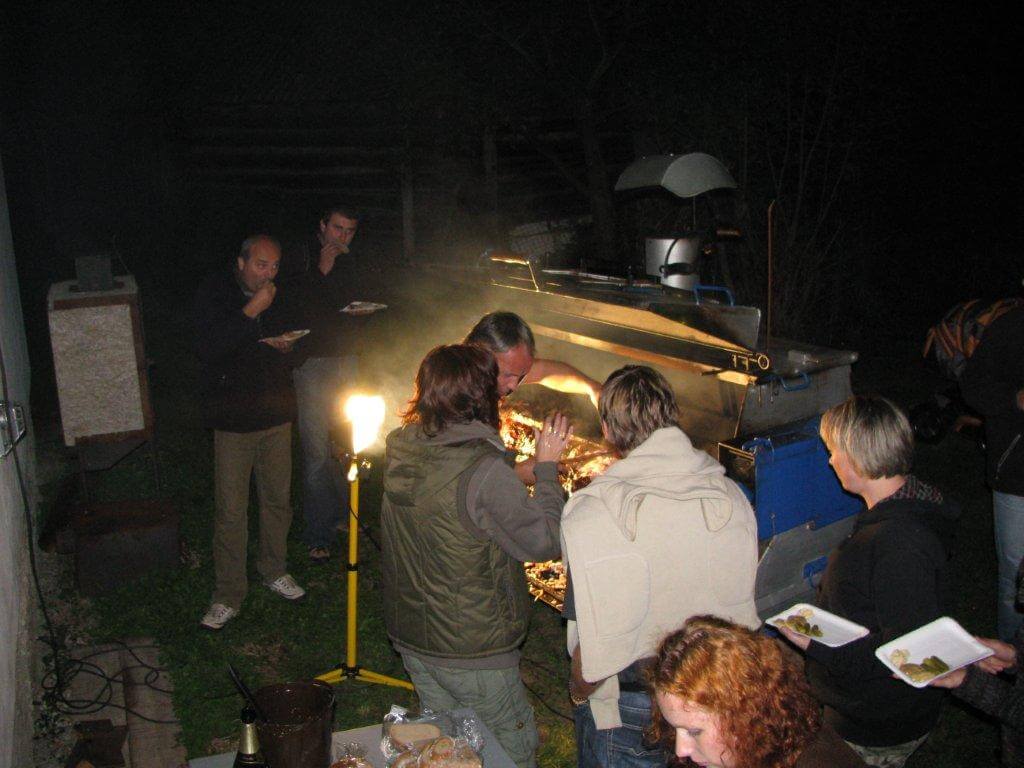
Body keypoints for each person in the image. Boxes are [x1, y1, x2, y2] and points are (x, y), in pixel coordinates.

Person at [379, 344, 571, 768]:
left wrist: (508, 466)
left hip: (415, 638)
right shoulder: (484, 473)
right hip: (473, 650)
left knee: (447, 752)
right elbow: (544, 541)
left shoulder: (403, 449)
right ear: (481, 396)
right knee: (508, 752)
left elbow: (458, 486)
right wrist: (546, 469)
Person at [561, 365, 760, 768]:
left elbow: (596, 644)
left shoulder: (591, 514)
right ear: (672, 414)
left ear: (607, 430)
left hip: (630, 704)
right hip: (714, 698)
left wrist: (579, 692)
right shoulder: (730, 496)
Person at [778, 394, 960, 767]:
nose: (830, 461)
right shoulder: (908, 507)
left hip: (876, 722)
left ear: (858, 457)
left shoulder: (899, 544)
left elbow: (908, 654)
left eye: (834, 451)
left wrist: (814, 643)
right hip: (871, 708)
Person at [193, 234, 306, 631]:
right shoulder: (215, 292)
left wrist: (289, 346)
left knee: (277, 499)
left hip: (276, 413)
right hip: (233, 420)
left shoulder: (278, 293)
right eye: (261, 265)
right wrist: (250, 312)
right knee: (231, 510)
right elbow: (209, 348)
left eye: (274, 266)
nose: (268, 274)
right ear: (241, 263)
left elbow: (295, 337)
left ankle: (274, 568)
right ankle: (228, 594)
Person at [648, 615, 867, 768]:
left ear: (744, 715)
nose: (680, 750)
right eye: (675, 728)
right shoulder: (726, 755)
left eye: (695, 732)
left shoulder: (820, 761)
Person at [289, 205, 382, 563]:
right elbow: (297, 307)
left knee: (346, 445)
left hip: (348, 360)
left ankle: (345, 515)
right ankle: (318, 533)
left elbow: (355, 304)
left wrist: (365, 313)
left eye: (349, 231)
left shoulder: (353, 260)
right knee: (316, 451)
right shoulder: (301, 256)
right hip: (313, 363)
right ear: (322, 225)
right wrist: (322, 270)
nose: (342, 237)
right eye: (337, 229)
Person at [465, 311, 602, 484]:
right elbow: (451, 474)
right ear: (480, 360)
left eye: (521, 375)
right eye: (508, 375)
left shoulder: (492, 372)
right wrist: (515, 473)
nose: (514, 386)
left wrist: (592, 387)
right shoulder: (453, 396)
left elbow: (546, 372)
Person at [960, 305, 1024, 641]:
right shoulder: (1010, 327)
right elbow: (973, 386)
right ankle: (1011, 661)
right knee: (1015, 578)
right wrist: (1016, 399)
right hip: (1016, 476)